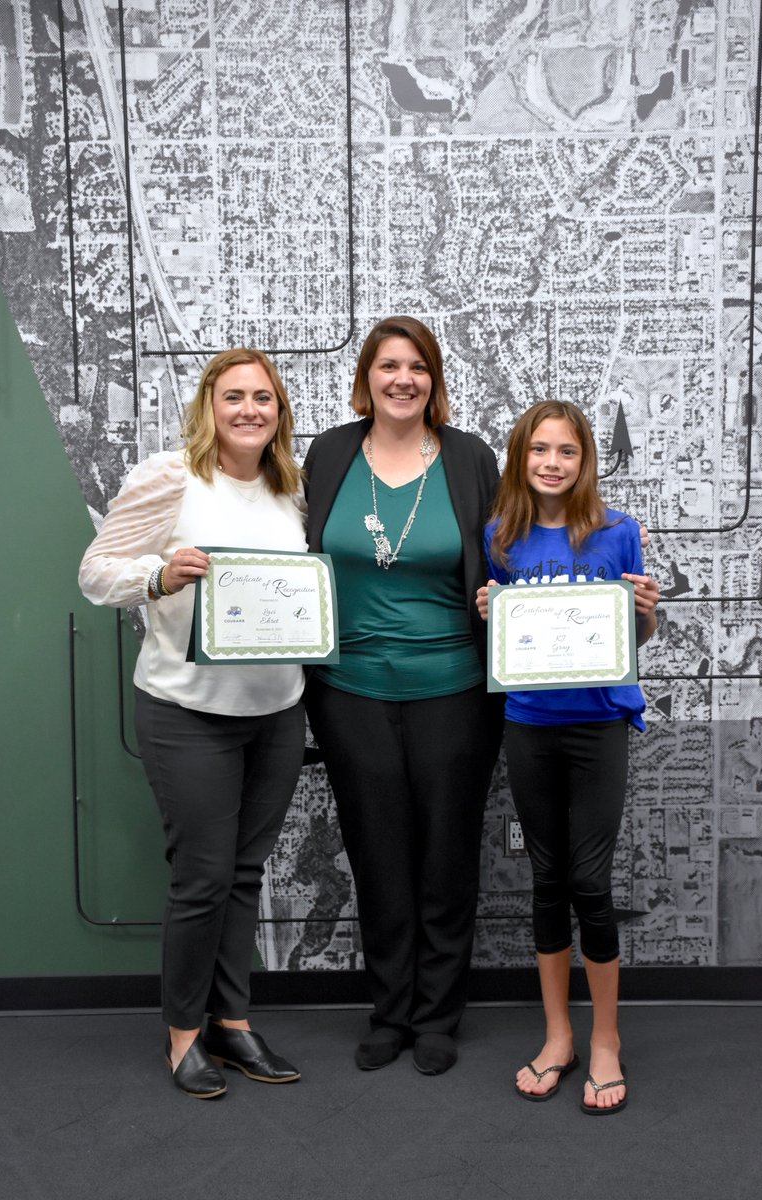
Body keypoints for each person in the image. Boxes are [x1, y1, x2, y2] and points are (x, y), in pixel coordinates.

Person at [79, 349, 307, 1099]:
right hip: (187, 712)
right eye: (233, 396)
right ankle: (184, 1036)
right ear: (208, 405)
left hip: (275, 710)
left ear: (279, 412)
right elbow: (95, 571)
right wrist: (157, 574)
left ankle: (232, 1024)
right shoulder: (169, 476)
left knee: (245, 875)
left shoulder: (290, 487)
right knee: (203, 879)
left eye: (263, 399)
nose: (249, 410)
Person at [303, 316, 503, 1075]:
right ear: (367, 377)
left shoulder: (467, 457)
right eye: (388, 365)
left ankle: (437, 1015)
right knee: (376, 852)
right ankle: (389, 1010)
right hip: (349, 690)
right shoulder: (327, 453)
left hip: (453, 687)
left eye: (417, 366)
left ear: (434, 379)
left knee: (447, 852)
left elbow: (501, 556)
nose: (402, 379)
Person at [477, 399, 659, 1114]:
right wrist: (489, 614)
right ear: (521, 458)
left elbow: (633, 639)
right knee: (547, 877)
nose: (552, 463)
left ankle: (605, 1038)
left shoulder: (617, 534)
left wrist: (644, 613)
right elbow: (507, 644)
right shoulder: (501, 535)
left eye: (567, 452)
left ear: (584, 462)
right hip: (528, 723)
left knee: (590, 879)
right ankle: (558, 1036)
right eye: (539, 450)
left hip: (597, 726)